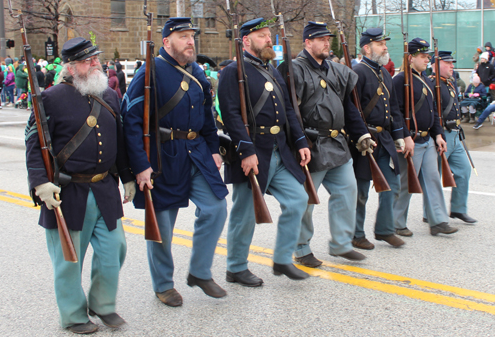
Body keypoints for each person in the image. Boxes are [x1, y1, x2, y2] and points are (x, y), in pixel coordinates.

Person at [25, 37, 136, 334]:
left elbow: (120, 141)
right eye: (89, 60)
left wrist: (126, 175)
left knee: (116, 250)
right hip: (69, 192)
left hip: (104, 189)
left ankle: (102, 304)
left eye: (96, 58)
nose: (96, 63)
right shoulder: (50, 98)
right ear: (72, 67)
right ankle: (74, 315)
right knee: (68, 261)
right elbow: (34, 144)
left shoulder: (109, 96)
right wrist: (40, 184)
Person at [121, 17, 228, 307]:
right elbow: (130, 121)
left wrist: (214, 148)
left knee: (216, 207)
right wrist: (140, 165)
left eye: (192, 36)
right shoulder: (150, 71)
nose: (190, 41)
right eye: (183, 36)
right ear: (166, 42)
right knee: (163, 227)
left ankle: (200, 271)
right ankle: (164, 284)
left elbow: (206, 115)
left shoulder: (197, 72)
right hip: (162, 156)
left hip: (196, 151)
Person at [218, 17, 311, 287]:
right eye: (262, 35)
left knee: (297, 200)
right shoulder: (232, 72)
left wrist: (301, 141)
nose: (270, 39)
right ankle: (235, 267)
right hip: (253, 153)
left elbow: (289, 110)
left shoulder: (270, 70)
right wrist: (246, 150)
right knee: (244, 214)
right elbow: (232, 115)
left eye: (269, 35)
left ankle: (282, 259)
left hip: (279, 150)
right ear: (246, 41)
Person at [277, 21, 369, 265]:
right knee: (306, 200)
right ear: (308, 42)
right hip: (311, 144)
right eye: (321, 39)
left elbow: (347, 106)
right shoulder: (292, 69)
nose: (327, 43)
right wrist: (298, 142)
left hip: (337, 144)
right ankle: (301, 247)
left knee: (348, 190)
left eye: (328, 39)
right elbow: (288, 110)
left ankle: (341, 244)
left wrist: (361, 133)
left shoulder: (336, 70)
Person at [392, 38, 458, 236]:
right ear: (410, 58)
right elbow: (396, 112)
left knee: (432, 180)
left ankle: (438, 221)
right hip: (411, 140)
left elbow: (434, 111)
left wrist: (438, 134)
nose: (426, 59)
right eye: (422, 56)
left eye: (427, 56)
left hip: (427, 139)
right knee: (406, 185)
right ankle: (395, 223)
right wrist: (405, 136)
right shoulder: (400, 80)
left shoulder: (428, 80)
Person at [352, 28, 406, 246]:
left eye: (384, 43)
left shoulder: (384, 74)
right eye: (380, 44)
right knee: (361, 192)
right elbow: (352, 110)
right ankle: (356, 235)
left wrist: (399, 134)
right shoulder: (358, 72)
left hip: (384, 139)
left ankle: (384, 229)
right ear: (367, 48)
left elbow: (393, 109)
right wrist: (359, 135)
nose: (385, 47)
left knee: (392, 186)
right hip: (365, 140)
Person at [429, 51, 477, 224]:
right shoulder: (432, 84)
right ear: (436, 64)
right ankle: (430, 213)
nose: (452, 66)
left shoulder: (449, 83)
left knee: (464, 170)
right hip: (441, 134)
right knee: (434, 176)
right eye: (447, 63)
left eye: (452, 63)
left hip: (455, 134)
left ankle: (458, 209)